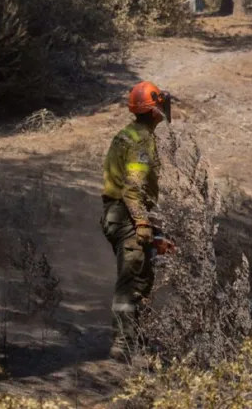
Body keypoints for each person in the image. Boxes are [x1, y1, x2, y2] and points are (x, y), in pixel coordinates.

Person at [100, 80, 172, 360]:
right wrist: (142, 223)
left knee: (142, 277)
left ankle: (135, 337)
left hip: (117, 213)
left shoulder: (126, 133)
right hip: (127, 213)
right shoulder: (141, 140)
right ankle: (122, 343)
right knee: (131, 281)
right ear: (154, 110)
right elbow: (133, 187)